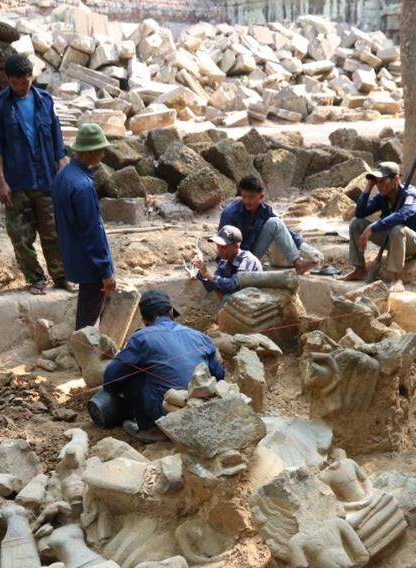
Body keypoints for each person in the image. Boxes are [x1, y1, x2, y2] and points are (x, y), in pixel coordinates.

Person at [0, 54, 69, 295]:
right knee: (21, 236)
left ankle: (61, 277)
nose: (23, 86)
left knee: (54, 232)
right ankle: (35, 279)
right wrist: (1, 182)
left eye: (27, 81)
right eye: (18, 82)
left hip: (46, 179)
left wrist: (62, 173)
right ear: (9, 80)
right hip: (17, 181)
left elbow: (57, 142)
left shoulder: (45, 101)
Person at [102, 290, 225, 443]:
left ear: (145, 320)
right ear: (171, 312)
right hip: (205, 409)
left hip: (169, 413)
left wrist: (116, 393)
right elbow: (219, 376)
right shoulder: (199, 336)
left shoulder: (141, 337)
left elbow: (110, 378)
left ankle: (152, 429)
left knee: (132, 374)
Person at [52, 123, 115, 330]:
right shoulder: (83, 186)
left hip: (73, 253)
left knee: (88, 306)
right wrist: (105, 270)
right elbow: (93, 232)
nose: (103, 155)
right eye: (101, 150)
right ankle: (83, 355)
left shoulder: (63, 175)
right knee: (88, 321)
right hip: (90, 262)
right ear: (90, 152)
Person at [342, 161, 416, 290]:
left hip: (414, 243)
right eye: (377, 182)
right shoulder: (382, 196)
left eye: (382, 181)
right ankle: (359, 270)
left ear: (396, 179)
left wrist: (372, 227)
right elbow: (360, 213)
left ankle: (397, 278)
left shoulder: (412, 195)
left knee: (397, 228)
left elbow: (402, 215)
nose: (379, 185)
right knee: (357, 224)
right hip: (392, 239)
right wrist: (368, 187)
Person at [218, 175, 322, 274]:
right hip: (233, 258)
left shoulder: (265, 210)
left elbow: (283, 229)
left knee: (275, 222)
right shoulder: (230, 213)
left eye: (251, 197)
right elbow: (222, 243)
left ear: (261, 197)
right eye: (244, 196)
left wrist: (309, 251)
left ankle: (298, 263)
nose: (247, 201)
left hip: (252, 253)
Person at [192, 225, 263, 295]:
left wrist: (207, 274)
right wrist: (201, 273)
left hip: (254, 300)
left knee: (227, 297)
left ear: (236, 246)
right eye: (218, 246)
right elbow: (213, 287)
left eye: (223, 247)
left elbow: (234, 286)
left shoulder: (247, 260)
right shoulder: (224, 261)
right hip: (239, 300)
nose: (219, 250)